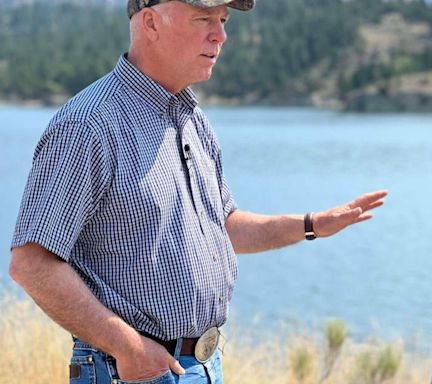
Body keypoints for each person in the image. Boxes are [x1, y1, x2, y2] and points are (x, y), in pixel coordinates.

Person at [8, 1, 388, 383]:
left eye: (222, 21)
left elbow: (224, 226)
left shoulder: (193, 119)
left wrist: (311, 224)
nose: (220, 35)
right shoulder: (87, 125)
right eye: (203, 19)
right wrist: (127, 347)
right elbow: (31, 263)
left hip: (202, 366)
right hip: (131, 369)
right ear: (151, 23)